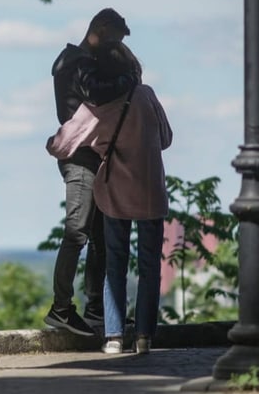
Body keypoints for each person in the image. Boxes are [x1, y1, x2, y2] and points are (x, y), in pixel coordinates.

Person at [46, 42, 173, 354]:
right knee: (149, 267)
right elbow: (167, 138)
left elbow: (60, 145)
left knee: (114, 264)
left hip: (115, 193)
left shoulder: (97, 109)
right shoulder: (147, 95)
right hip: (151, 192)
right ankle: (144, 336)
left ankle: (113, 336)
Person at [45, 8, 134, 336]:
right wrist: (130, 79)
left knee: (99, 238)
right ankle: (61, 308)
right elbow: (97, 93)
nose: (115, 48)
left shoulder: (73, 61)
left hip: (91, 158)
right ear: (101, 28)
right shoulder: (77, 63)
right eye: (114, 40)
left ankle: (98, 311)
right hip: (81, 158)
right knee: (77, 231)